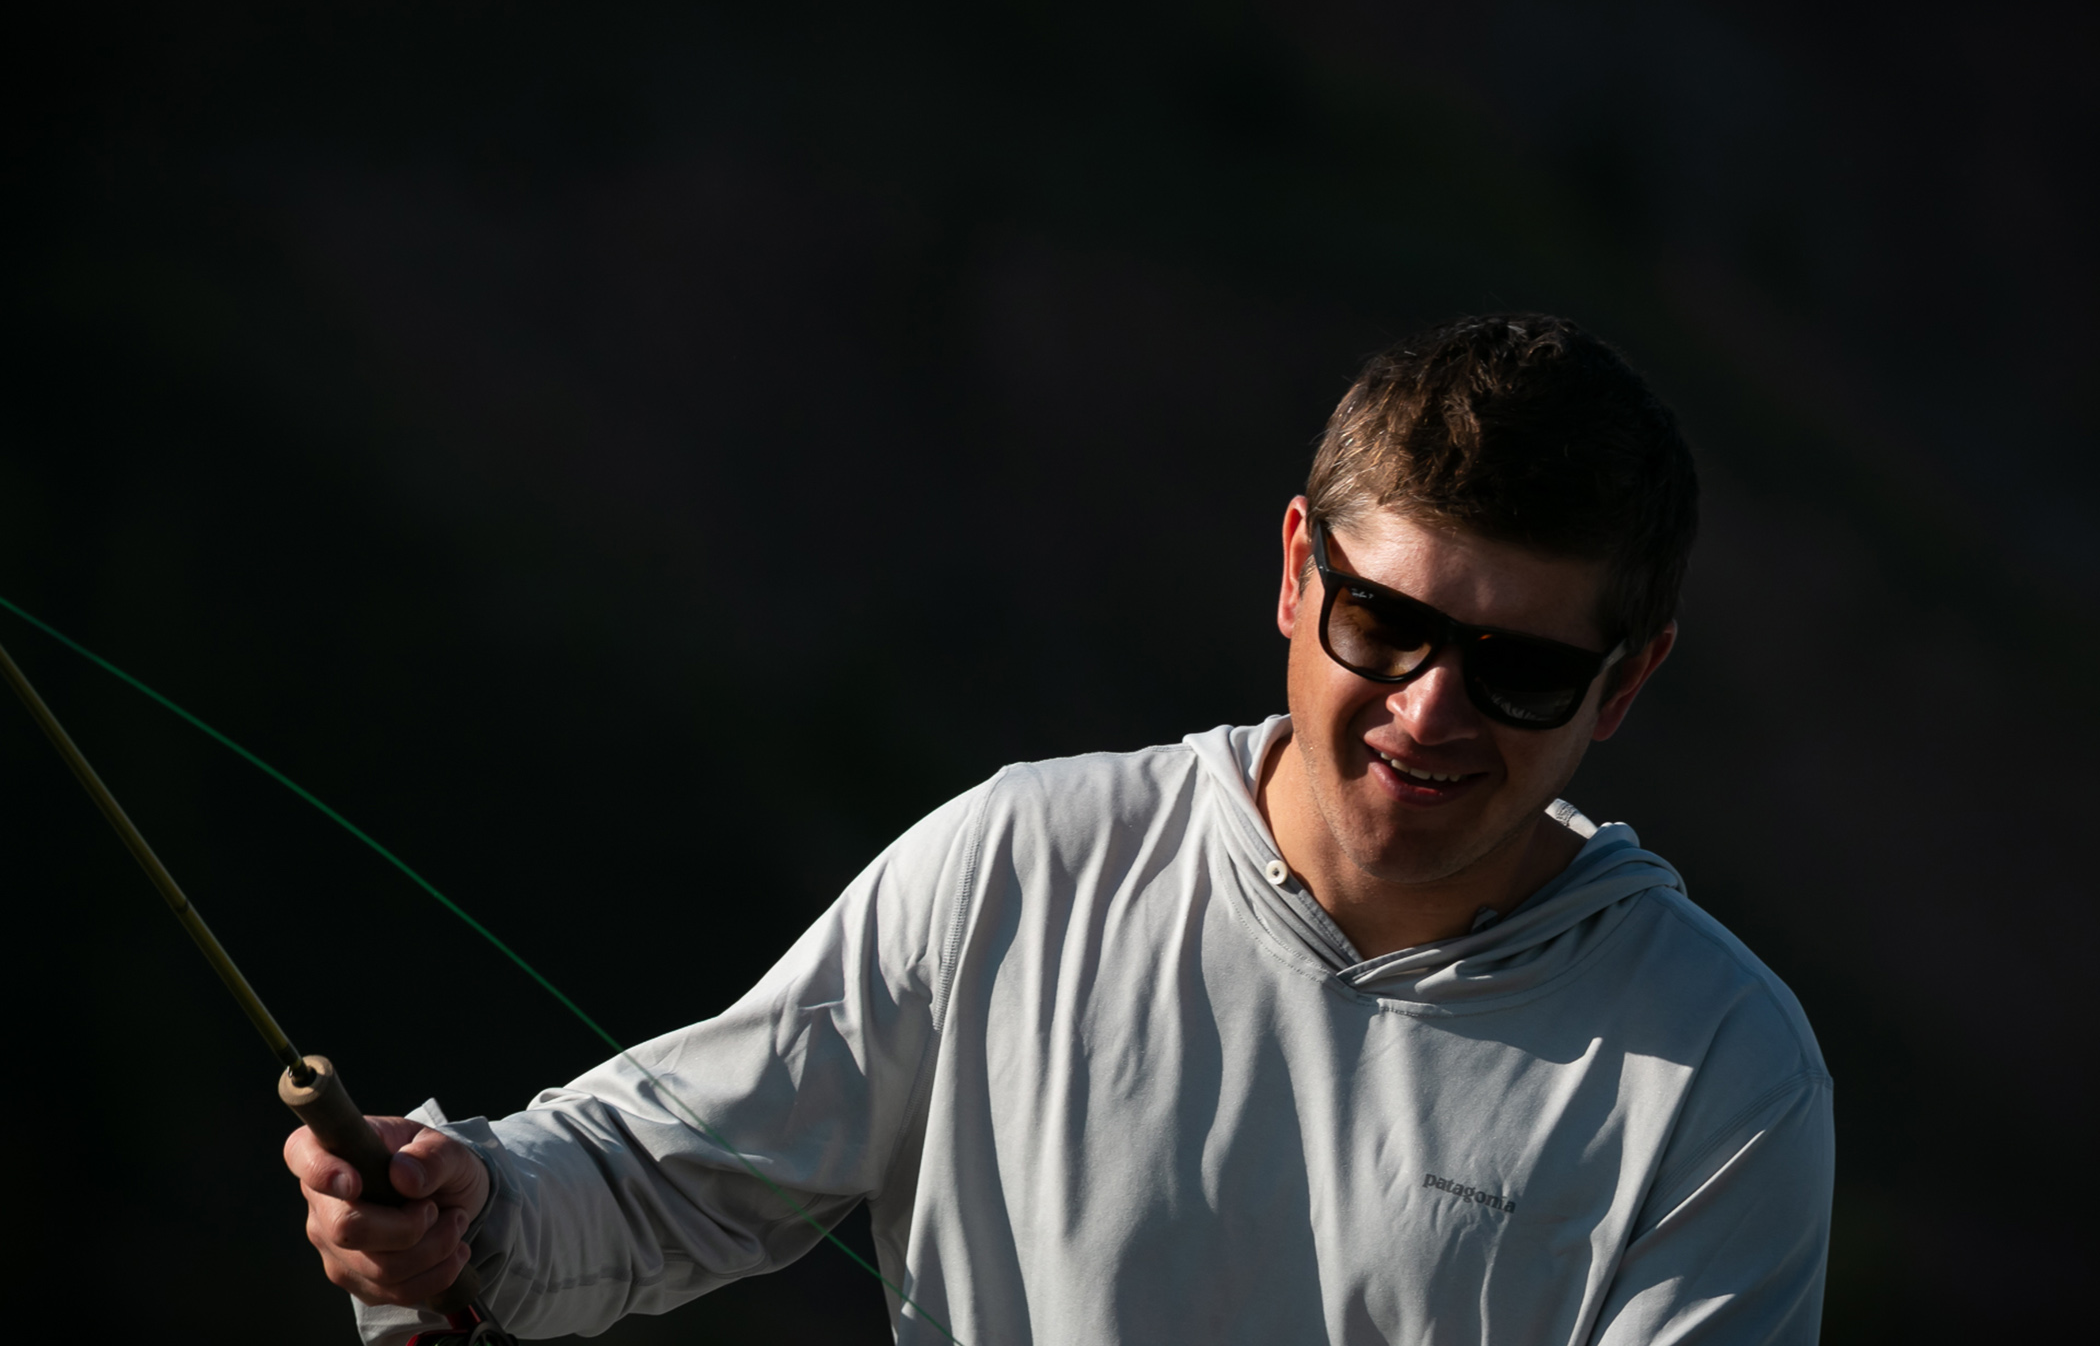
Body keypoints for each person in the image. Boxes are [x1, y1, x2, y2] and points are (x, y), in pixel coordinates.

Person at [287, 314, 1834, 1345]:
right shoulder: (1023, 864)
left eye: (1521, 668)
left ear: (1627, 684)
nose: (1430, 712)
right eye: (1383, 622)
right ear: (1297, 572)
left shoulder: (1726, 1078)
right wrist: (462, 1209)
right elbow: (656, 1175)